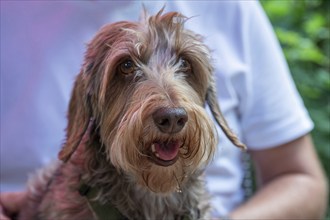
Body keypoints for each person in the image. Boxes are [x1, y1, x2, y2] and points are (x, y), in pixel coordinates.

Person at [0, 1, 327, 219]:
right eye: (127, 68)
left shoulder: (233, 7)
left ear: (208, 95)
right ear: (86, 103)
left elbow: (302, 179)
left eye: (185, 65)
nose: (171, 108)